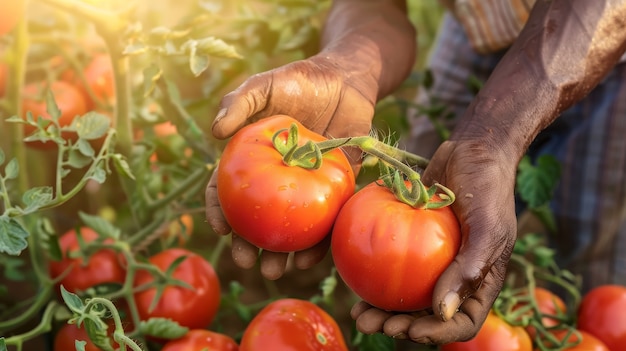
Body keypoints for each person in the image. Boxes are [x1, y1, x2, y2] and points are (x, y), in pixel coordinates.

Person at [206, 0, 626, 345]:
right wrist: (350, 67)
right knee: (444, 179)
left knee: (584, 240)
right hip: (479, 21)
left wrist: (492, 140)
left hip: (603, 32)